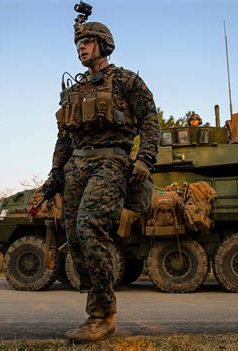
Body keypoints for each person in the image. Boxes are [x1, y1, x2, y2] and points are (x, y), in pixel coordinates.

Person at [47, 20, 160, 343]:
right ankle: (95, 306)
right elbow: (63, 138)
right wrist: (56, 172)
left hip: (110, 162)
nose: (80, 48)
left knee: (89, 228)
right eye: (77, 44)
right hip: (76, 167)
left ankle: (102, 316)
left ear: (102, 44)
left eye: (86, 42)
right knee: (75, 238)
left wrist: (144, 159)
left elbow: (151, 122)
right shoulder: (74, 90)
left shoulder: (127, 81)